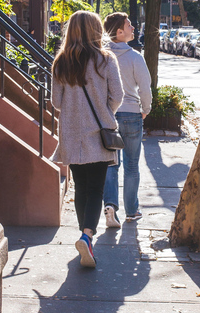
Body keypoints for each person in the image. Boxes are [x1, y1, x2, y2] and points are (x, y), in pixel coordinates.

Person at [50, 11, 124, 267]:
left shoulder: (61, 62)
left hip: (71, 133)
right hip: (98, 132)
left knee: (81, 188)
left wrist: (74, 108)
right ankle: (87, 236)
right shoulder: (105, 59)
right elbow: (118, 95)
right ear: (96, 30)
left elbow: (56, 102)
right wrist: (104, 112)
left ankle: (85, 237)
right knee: (97, 189)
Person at [102, 12, 152, 227]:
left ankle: (110, 206)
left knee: (111, 164)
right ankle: (132, 211)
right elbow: (145, 88)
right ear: (119, 32)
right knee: (132, 165)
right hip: (132, 114)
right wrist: (146, 109)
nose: (133, 27)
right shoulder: (135, 57)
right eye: (129, 25)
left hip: (108, 114)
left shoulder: (101, 57)